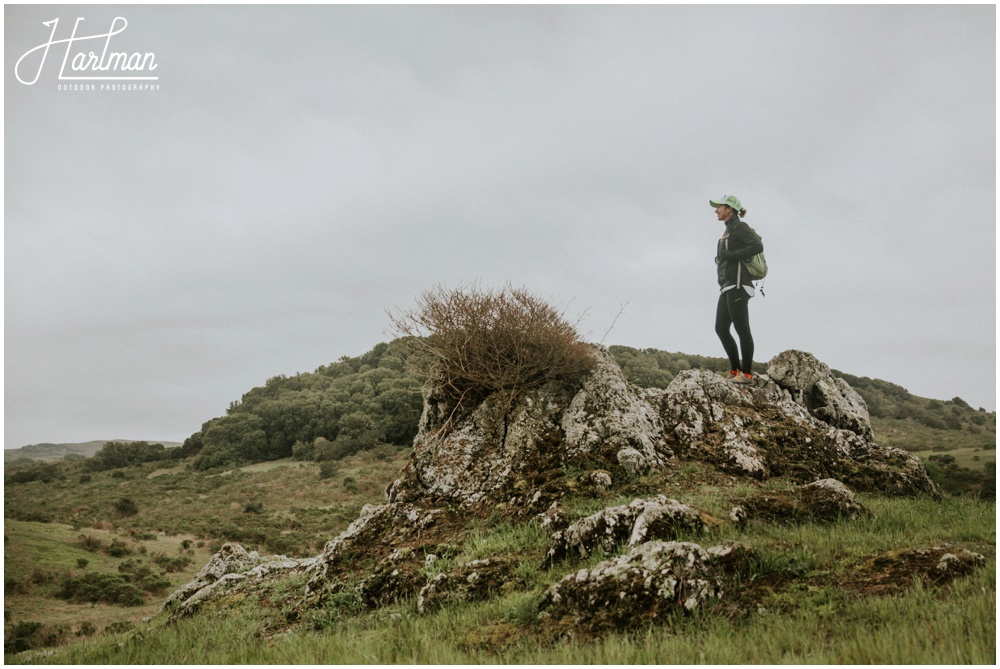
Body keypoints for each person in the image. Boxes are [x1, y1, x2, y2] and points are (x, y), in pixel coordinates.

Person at [710, 194, 763, 385]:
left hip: (739, 285)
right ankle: (735, 370)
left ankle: (747, 374)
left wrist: (732, 255)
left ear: (729, 209)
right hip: (727, 286)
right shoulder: (727, 232)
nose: (716, 210)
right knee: (721, 328)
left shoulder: (740, 227)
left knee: (742, 328)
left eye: (719, 207)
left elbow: (757, 245)